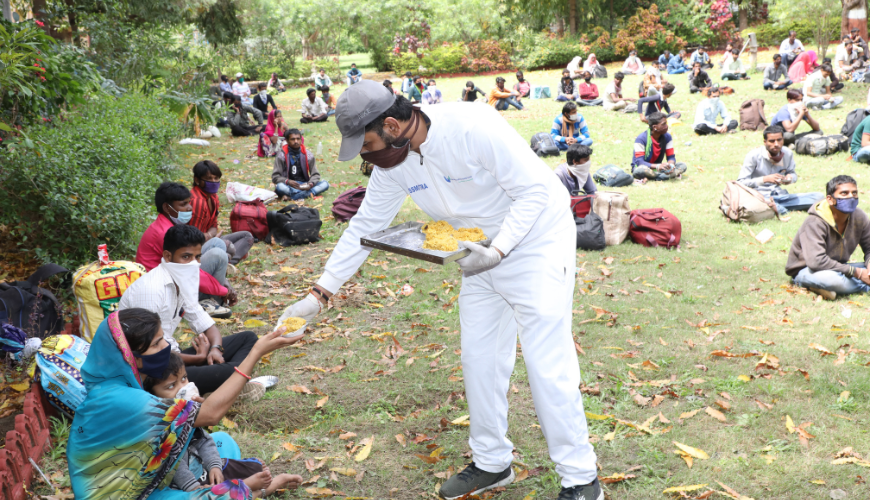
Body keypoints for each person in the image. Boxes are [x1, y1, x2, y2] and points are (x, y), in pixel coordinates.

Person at [278, 81, 603, 500]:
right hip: (475, 252)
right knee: (480, 358)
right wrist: (319, 294)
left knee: (546, 361)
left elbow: (536, 192)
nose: (366, 155)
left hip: (534, 241)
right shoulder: (392, 165)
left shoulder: (473, 125)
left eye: (369, 144)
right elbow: (364, 225)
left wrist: (500, 249)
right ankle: (491, 462)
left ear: (392, 125)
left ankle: (580, 479)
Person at [67, 307, 303, 500]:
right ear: (130, 356)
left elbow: (180, 430)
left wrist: (187, 415)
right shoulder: (123, 400)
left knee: (222, 442)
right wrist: (255, 352)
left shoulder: (117, 383)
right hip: (127, 495)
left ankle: (224, 485)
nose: (166, 347)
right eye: (157, 343)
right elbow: (211, 415)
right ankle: (253, 491)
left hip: (149, 476)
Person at [122, 225, 259, 394]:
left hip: (172, 356)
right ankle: (236, 379)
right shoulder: (151, 289)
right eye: (186, 257)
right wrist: (198, 358)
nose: (194, 263)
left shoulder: (183, 279)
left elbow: (203, 322)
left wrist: (216, 348)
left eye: (197, 257)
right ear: (167, 256)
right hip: (151, 370)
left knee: (248, 338)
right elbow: (153, 354)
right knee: (228, 371)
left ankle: (233, 378)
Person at [143, 352, 302, 496]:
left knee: (244, 459)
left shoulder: (187, 412)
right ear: (152, 396)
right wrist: (190, 486)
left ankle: (238, 484)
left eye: (184, 378)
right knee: (205, 495)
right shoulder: (159, 425)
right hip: (185, 486)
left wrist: (214, 467)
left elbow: (204, 440)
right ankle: (256, 488)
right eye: (171, 386)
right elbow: (173, 465)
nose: (183, 388)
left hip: (204, 471)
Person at [135, 182, 236, 317]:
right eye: (183, 204)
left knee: (217, 243)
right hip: (166, 287)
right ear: (167, 207)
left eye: (189, 203)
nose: (189, 208)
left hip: (174, 273)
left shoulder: (166, 224)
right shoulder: (166, 233)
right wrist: (223, 290)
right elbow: (189, 271)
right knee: (218, 255)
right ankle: (208, 301)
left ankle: (216, 287)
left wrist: (224, 283)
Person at [786, 175, 870, 300]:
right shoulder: (814, 222)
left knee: (840, 277)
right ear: (830, 199)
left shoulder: (859, 217)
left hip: (838, 267)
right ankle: (864, 287)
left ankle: (824, 288)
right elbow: (816, 262)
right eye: (844, 193)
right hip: (807, 270)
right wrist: (856, 272)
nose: (851, 197)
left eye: (854, 193)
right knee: (832, 280)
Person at [738, 125, 824, 215]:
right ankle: (777, 208)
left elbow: (793, 174)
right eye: (772, 141)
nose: (776, 144)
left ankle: (775, 207)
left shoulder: (787, 153)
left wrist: (790, 178)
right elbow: (741, 182)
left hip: (780, 195)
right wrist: (764, 179)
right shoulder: (753, 156)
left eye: (779, 140)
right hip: (759, 196)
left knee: (818, 197)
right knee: (779, 209)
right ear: (765, 142)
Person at [189, 161, 254, 266]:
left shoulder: (213, 197)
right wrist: (211, 237)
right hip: (196, 248)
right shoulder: (197, 201)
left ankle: (225, 261)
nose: (214, 182)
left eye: (216, 178)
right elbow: (194, 238)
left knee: (247, 236)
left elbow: (214, 225)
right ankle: (223, 262)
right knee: (228, 245)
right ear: (197, 180)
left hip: (209, 240)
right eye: (209, 179)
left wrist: (210, 235)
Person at [273, 128, 329, 200]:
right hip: (288, 185)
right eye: (292, 139)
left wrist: (310, 184)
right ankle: (307, 194)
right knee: (280, 187)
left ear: (301, 139)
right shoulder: (281, 155)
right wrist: (288, 181)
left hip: (304, 185)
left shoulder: (308, 154)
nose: (296, 141)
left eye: (298, 139)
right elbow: (275, 177)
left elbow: (315, 174)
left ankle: (292, 197)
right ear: (287, 141)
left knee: (325, 184)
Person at [631, 111, 687, 182]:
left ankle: (655, 176)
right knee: (640, 170)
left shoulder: (667, 137)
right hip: (644, 167)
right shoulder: (641, 139)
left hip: (659, 168)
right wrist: (658, 166)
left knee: (682, 165)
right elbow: (640, 162)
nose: (666, 126)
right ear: (655, 127)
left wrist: (670, 166)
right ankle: (664, 176)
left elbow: (671, 157)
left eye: (666, 123)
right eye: (663, 124)